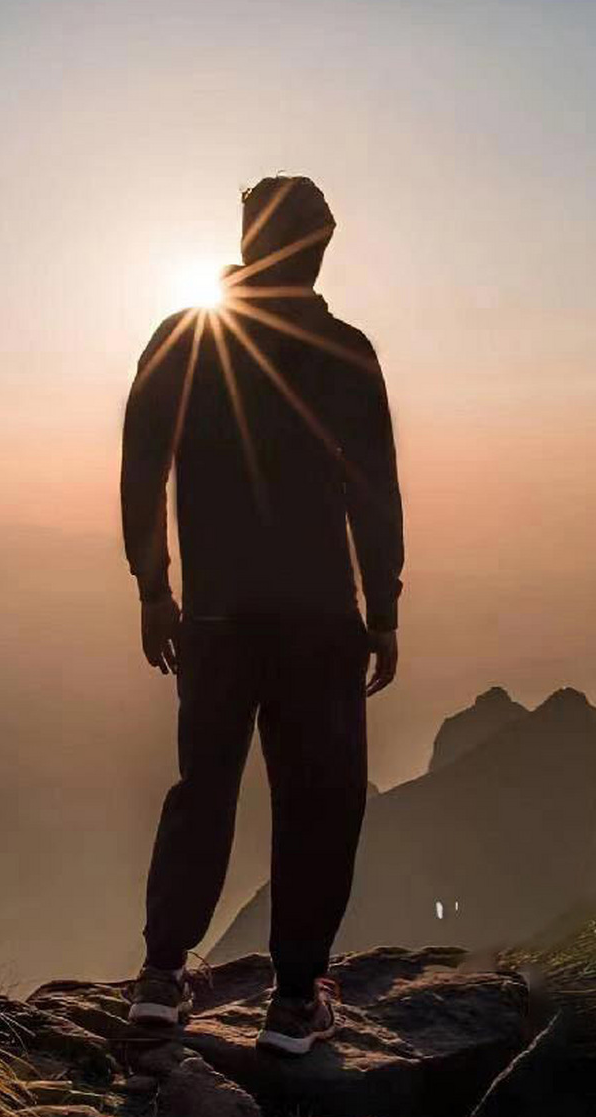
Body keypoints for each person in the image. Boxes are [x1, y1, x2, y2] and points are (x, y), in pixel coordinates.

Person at [119, 175, 403, 1055]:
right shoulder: (347, 350)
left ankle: (163, 979)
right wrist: (383, 607)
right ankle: (291, 1002)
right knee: (319, 799)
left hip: (212, 617)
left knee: (203, 791)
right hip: (320, 618)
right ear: (318, 246)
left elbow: (142, 468)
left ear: (249, 240)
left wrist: (152, 587)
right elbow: (373, 491)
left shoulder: (184, 337)